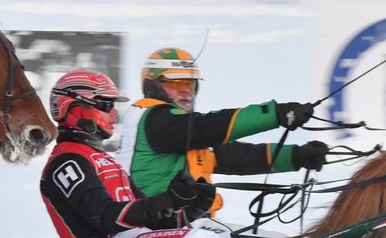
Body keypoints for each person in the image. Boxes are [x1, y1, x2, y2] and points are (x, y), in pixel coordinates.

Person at [39, 70, 309, 238]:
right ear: (73, 107)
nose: (113, 113)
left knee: (219, 233)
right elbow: (109, 218)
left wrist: (189, 209)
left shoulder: (102, 159)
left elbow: (155, 222)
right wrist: (167, 199)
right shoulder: (66, 161)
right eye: (105, 105)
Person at [113, 47, 329, 224]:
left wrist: (298, 156)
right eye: (174, 83)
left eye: (189, 83)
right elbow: (208, 127)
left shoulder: (182, 133)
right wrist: (273, 114)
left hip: (188, 226)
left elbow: (238, 156)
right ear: (152, 84)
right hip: (155, 228)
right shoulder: (153, 119)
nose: (185, 91)